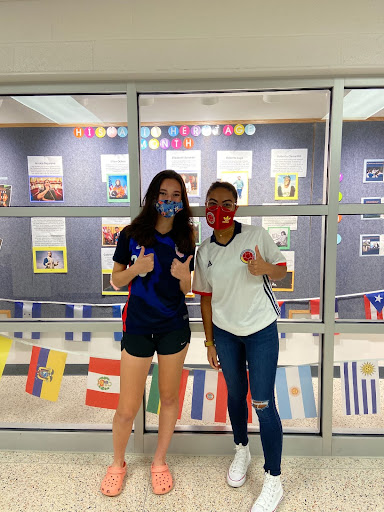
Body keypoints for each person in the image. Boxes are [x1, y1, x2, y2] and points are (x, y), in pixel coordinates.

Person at [192, 181, 287, 512]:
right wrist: (208, 341)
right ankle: (241, 449)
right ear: (205, 205)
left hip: (260, 330)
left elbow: (282, 272)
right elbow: (204, 300)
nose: (220, 209)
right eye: (213, 202)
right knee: (235, 395)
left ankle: (274, 479)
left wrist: (265, 269)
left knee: (262, 402)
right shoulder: (203, 251)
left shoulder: (256, 236)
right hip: (225, 334)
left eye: (228, 203)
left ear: (236, 207)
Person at [101, 170, 195, 498]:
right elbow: (115, 281)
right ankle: (117, 464)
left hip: (173, 327)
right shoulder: (131, 234)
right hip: (138, 326)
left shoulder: (187, 237)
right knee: (127, 406)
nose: (169, 201)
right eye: (164, 194)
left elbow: (188, 289)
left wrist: (185, 277)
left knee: (168, 398)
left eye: (176, 195)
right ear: (153, 196)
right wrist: (136, 269)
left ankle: (159, 462)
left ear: (183, 201)